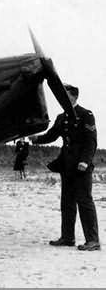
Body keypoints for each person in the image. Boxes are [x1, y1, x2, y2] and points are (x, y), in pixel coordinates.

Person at [30, 84, 100, 251]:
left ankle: (93, 240)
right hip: (66, 165)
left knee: (84, 201)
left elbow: (91, 141)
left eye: (66, 96)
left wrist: (85, 161)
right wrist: (36, 139)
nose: (62, 99)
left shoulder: (86, 115)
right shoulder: (62, 117)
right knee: (67, 202)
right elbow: (51, 135)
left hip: (81, 166)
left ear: (74, 97)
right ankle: (68, 238)